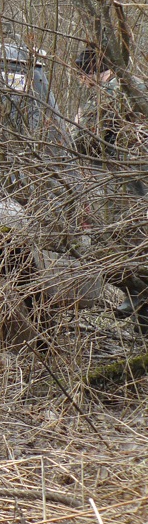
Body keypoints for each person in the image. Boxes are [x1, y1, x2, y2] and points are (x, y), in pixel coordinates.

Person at [72, 46, 148, 328]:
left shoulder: (107, 94)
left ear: (90, 73)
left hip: (123, 183)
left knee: (116, 243)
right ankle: (138, 306)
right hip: (138, 177)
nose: (81, 82)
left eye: (81, 76)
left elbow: (81, 142)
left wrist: (77, 122)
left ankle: (139, 301)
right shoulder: (136, 86)